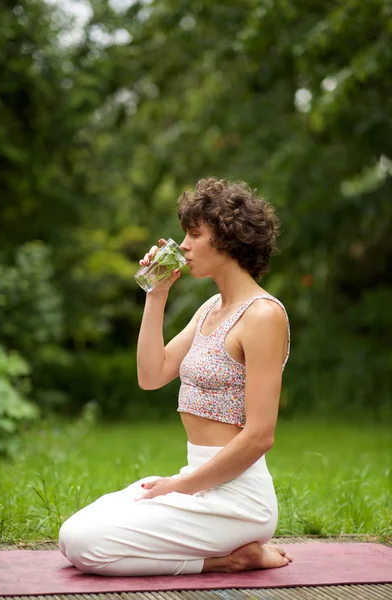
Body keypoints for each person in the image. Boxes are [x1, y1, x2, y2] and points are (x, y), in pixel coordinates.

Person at [59, 177, 293, 576]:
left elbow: (260, 436)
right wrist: (157, 294)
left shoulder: (263, 315)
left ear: (228, 239)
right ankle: (231, 556)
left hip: (238, 498)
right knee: (69, 534)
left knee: (85, 545)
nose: (182, 245)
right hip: (196, 480)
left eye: (194, 234)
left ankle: (226, 560)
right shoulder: (210, 309)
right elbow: (151, 376)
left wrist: (178, 488)